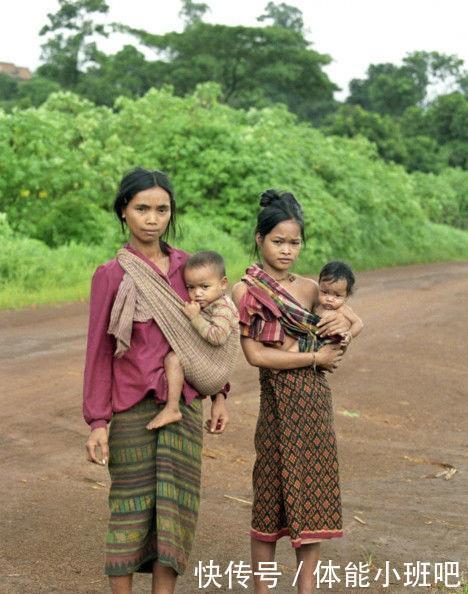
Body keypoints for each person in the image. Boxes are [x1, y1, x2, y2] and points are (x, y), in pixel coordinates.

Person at [83, 167, 229, 594]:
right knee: (128, 508)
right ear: (123, 212)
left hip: (183, 403)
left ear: (171, 213)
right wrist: (97, 422)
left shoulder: (190, 268)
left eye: (162, 209)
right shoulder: (111, 274)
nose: (152, 218)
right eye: (142, 208)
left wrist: (219, 394)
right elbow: (98, 351)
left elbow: (214, 332)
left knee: (176, 510)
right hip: (130, 407)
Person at [232, 189, 353, 594]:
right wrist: (315, 357)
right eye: (278, 241)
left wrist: (343, 334)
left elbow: (351, 321)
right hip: (278, 407)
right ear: (259, 239)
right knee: (268, 498)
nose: (286, 250)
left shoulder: (310, 288)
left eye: (294, 242)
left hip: (315, 405)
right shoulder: (245, 291)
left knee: (314, 495)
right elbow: (255, 356)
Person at [146, 250, 239, 430]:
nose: (197, 294)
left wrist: (195, 318)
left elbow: (217, 336)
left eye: (205, 287)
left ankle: (172, 408)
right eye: (191, 287)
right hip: (208, 368)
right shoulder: (210, 303)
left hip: (214, 372)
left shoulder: (224, 307)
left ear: (223, 284)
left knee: (173, 359)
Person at [285, 260, 363, 353]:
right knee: (291, 351)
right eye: (325, 292)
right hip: (310, 337)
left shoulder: (342, 309)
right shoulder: (317, 306)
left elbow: (358, 323)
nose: (329, 299)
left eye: (337, 296)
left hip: (328, 342)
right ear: (319, 287)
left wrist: (349, 335)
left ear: (346, 297)